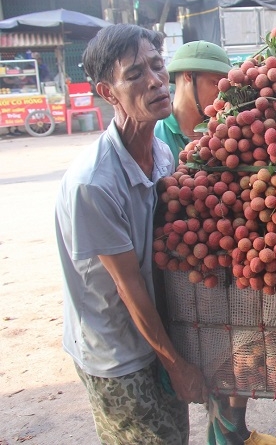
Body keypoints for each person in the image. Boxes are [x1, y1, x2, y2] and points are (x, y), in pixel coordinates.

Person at [55, 24, 207, 444]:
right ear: (108, 92)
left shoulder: (160, 153)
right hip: (116, 352)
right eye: (135, 74)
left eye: (158, 67)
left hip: (156, 334)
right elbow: (128, 286)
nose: (155, 81)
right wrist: (176, 364)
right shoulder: (95, 183)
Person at [155, 41, 254, 444]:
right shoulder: (158, 138)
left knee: (239, 368)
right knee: (195, 370)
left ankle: (233, 434)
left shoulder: (229, 129)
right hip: (182, 278)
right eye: (216, 83)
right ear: (187, 79)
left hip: (231, 273)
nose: (223, 92)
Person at [155, 40, 232, 164]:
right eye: (216, 83)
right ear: (189, 75)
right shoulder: (154, 137)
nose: (222, 92)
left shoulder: (227, 133)